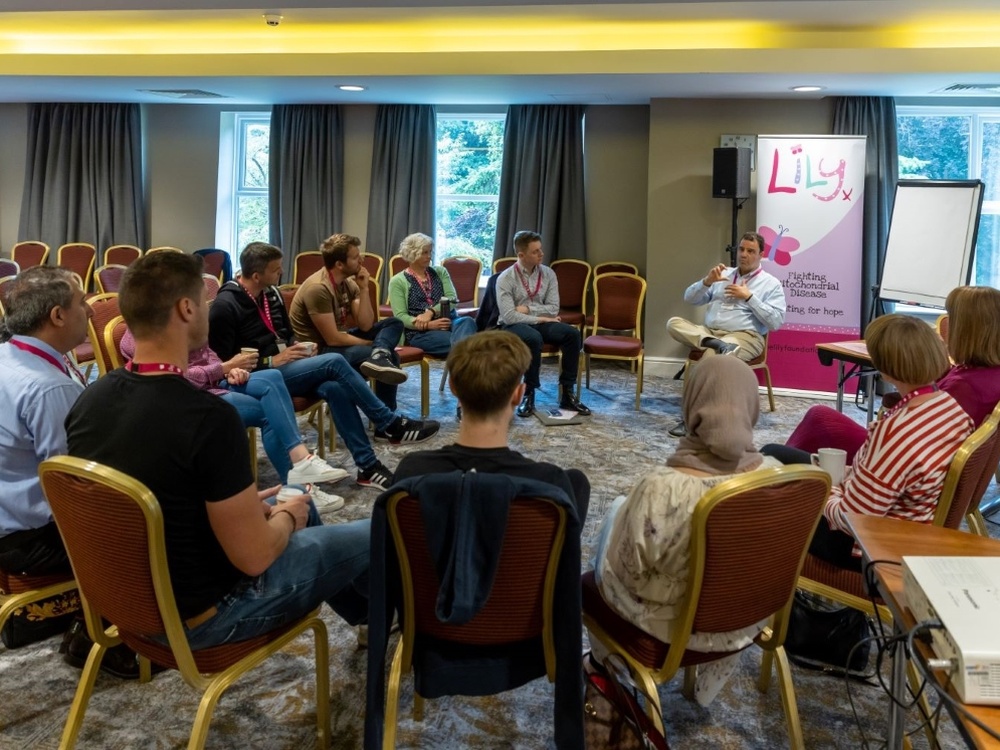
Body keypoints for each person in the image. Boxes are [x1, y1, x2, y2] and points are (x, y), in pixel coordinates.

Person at [65, 250, 371, 650]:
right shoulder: (208, 418)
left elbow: (155, 495)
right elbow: (256, 557)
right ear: (187, 308)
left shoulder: (89, 401)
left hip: (126, 604)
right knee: (376, 526)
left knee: (296, 499)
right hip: (208, 617)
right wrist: (283, 517)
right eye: (205, 303)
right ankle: (389, 622)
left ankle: (367, 616)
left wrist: (247, 508)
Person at [591, 356, 780, 705]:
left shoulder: (663, 489)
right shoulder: (779, 478)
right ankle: (707, 686)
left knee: (605, 539)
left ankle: (607, 670)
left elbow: (627, 572)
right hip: (747, 619)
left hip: (674, 630)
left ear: (691, 403)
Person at [209, 242, 439, 491]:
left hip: (285, 365)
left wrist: (298, 348)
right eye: (276, 270)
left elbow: (285, 336)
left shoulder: (271, 294)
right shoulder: (225, 306)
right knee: (334, 361)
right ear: (256, 275)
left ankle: (368, 468)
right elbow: (223, 365)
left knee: (334, 387)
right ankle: (390, 423)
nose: (282, 273)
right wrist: (271, 361)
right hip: (256, 376)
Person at [763, 314, 974, 571]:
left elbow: (852, 518)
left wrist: (825, 486)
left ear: (884, 367)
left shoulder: (895, 433)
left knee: (765, 501)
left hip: (871, 547)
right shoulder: (949, 406)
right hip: (909, 518)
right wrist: (839, 478)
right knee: (772, 453)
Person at [120, 329, 348, 508]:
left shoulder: (181, 318)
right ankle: (299, 484)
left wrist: (231, 371)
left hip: (216, 383)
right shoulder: (141, 334)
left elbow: (207, 355)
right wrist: (223, 368)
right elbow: (176, 376)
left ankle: (300, 463)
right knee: (270, 412)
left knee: (272, 378)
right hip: (193, 397)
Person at [783, 285, 1000, 462]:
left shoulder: (966, 388)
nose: (945, 323)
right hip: (903, 449)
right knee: (818, 419)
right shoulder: (984, 373)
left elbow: (917, 431)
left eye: (951, 316)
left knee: (819, 419)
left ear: (967, 329)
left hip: (893, 454)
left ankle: (790, 484)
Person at [393, 330, 589, 525]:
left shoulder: (411, 471)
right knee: (578, 481)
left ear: (453, 387)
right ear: (519, 394)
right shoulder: (550, 484)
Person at [0, 267, 89, 647]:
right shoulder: (48, 387)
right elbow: (75, 488)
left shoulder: (8, 354)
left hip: (8, 516)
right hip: (28, 538)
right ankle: (106, 632)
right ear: (57, 315)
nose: (91, 311)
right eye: (82, 303)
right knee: (157, 516)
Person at [665, 231, 786, 437]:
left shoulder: (771, 283)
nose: (744, 255)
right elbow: (690, 298)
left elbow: (776, 322)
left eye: (750, 251)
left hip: (745, 336)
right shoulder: (724, 274)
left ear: (761, 255)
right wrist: (707, 282)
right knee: (673, 323)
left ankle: (691, 419)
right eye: (741, 249)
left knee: (710, 358)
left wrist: (749, 298)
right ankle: (714, 343)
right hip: (710, 332)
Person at [288, 233, 406, 410]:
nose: (362, 260)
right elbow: (332, 339)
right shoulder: (318, 288)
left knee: (394, 323)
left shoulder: (347, 283)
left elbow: (366, 325)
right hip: (317, 351)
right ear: (339, 264)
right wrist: (372, 344)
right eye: (355, 257)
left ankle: (379, 355)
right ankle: (387, 417)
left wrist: (364, 289)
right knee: (391, 355)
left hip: (337, 341)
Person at [495, 230, 590, 418]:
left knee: (571, 334)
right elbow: (509, 316)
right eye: (535, 251)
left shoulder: (548, 274)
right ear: (521, 255)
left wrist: (530, 310)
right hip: (512, 326)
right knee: (533, 337)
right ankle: (529, 393)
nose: (541, 254)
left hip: (539, 320)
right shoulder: (505, 278)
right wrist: (542, 316)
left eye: (541, 249)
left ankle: (567, 393)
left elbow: (554, 308)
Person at [387, 232, 477, 356]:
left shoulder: (440, 272)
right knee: (465, 341)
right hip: (421, 332)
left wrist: (431, 312)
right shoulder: (397, 281)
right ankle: (465, 364)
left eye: (430, 252)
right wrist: (429, 325)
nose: (429, 256)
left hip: (450, 323)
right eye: (424, 252)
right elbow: (400, 316)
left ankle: (461, 360)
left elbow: (452, 299)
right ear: (413, 253)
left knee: (468, 321)